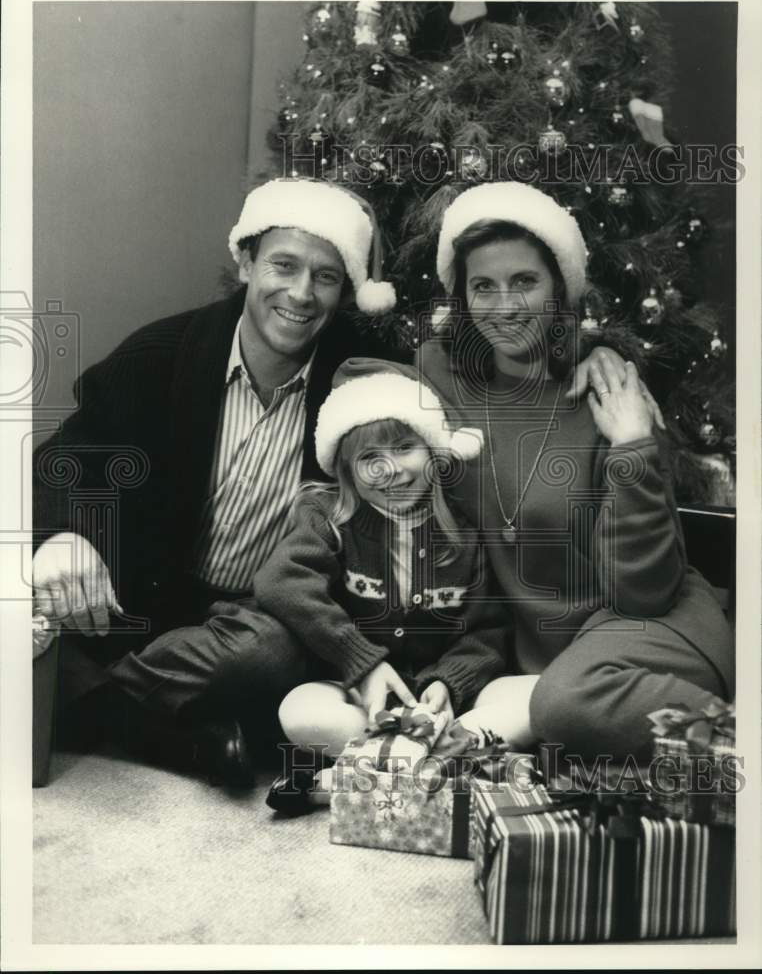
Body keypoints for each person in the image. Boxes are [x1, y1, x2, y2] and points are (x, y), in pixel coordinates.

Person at [31, 177, 402, 788]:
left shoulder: (357, 383)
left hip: (253, 619)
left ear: (345, 292)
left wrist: (595, 352)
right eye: (283, 265)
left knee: (272, 656)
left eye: (326, 277)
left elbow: (447, 408)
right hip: (135, 599)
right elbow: (62, 462)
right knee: (42, 598)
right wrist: (59, 538)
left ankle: (100, 708)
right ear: (246, 262)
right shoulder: (161, 354)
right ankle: (161, 724)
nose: (301, 294)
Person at [404, 180, 734, 758]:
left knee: (564, 704)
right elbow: (350, 385)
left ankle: (733, 739)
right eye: (484, 286)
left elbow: (646, 592)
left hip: (645, 632)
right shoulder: (438, 372)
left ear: (560, 290)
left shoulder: (609, 391)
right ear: (461, 298)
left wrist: (632, 444)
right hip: (550, 657)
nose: (504, 307)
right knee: (526, 712)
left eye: (525, 282)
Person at [245, 362, 511, 815]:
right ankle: (434, 765)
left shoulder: (464, 534)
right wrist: (360, 661)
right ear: (347, 471)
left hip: (440, 703)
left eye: (405, 447)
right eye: (370, 459)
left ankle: (340, 781)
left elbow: (486, 631)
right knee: (300, 711)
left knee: (523, 701)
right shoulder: (327, 517)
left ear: (433, 451)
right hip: (355, 696)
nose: (392, 469)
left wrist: (449, 681)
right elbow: (282, 581)